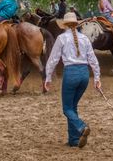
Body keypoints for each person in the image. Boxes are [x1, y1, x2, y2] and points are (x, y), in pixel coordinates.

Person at [43, 11, 101, 148]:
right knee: (73, 107)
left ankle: (81, 127)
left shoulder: (62, 38)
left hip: (71, 73)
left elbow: (53, 60)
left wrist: (48, 77)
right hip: (84, 74)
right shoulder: (84, 38)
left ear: (65, 25)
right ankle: (74, 140)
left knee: (66, 108)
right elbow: (93, 59)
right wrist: (97, 77)